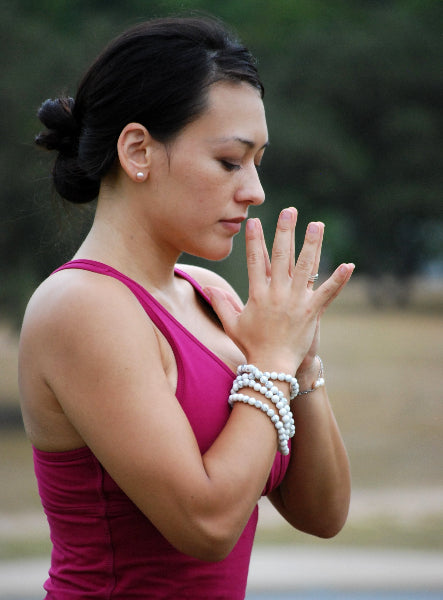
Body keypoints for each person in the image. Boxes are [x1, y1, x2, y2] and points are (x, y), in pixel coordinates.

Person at [19, 16, 355, 600]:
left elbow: (322, 513)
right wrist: (273, 360)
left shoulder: (209, 293)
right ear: (138, 150)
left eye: (258, 162)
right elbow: (205, 526)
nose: (255, 190)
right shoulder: (81, 306)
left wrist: (302, 361)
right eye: (230, 161)